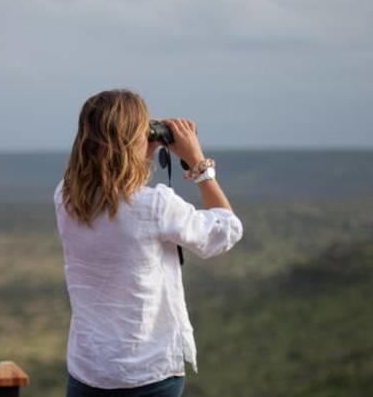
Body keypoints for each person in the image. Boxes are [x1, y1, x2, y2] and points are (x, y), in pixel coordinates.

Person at [54, 89, 244, 396]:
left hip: (88, 370)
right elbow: (226, 231)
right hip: (148, 374)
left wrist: (141, 147)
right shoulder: (155, 206)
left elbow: (111, 190)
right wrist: (198, 163)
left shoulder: (65, 197)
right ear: (133, 141)